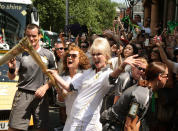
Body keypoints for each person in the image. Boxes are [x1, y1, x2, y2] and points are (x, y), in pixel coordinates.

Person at [48, 37, 142, 131]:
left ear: (106, 55)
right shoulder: (88, 72)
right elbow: (69, 87)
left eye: (99, 54)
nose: (95, 57)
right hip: (73, 119)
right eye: (93, 54)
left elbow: (112, 76)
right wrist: (55, 76)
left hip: (88, 124)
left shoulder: (106, 73)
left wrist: (122, 66)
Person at [7, 24, 56, 131]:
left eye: (34, 36)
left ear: (39, 36)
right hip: (23, 94)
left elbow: (55, 75)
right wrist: (11, 68)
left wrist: (45, 87)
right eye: (28, 36)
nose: (31, 39)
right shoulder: (20, 54)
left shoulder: (48, 54)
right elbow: (12, 76)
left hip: (41, 96)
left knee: (42, 129)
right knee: (14, 128)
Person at [101, 62, 168, 131]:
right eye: (166, 75)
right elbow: (129, 126)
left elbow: (136, 121)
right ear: (160, 77)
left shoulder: (147, 90)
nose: (167, 78)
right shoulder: (141, 95)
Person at [59, 45, 91, 130]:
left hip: (83, 120)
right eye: (68, 56)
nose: (70, 58)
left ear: (80, 60)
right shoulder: (63, 77)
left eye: (74, 56)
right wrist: (60, 94)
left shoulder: (84, 75)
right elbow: (61, 101)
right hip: (69, 119)